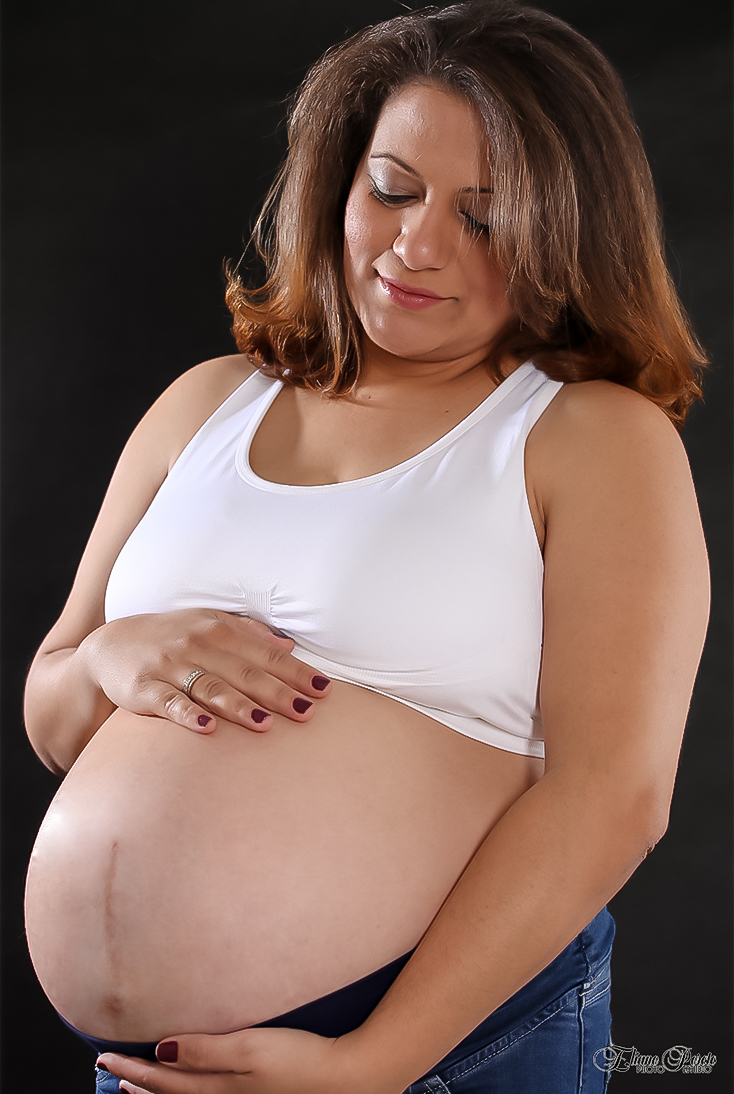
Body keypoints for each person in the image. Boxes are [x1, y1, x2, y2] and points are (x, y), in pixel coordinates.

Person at [23, 1, 710, 1091]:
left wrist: (371, 1061)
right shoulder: (206, 404)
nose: (415, 243)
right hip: (153, 1067)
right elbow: (54, 706)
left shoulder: (586, 438)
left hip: (441, 1048)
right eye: (391, 188)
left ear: (565, 233)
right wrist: (110, 657)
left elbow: (615, 793)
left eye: (482, 217)